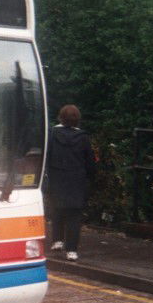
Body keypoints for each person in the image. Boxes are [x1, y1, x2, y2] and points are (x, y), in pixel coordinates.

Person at [44, 104, 96, 261]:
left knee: (57, 210)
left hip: (57, 177)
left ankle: (57, 241)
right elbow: (90, 162)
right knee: (74, 216)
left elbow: (47, 156)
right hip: (76, 180)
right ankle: (71, 250)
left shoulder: (52, 134)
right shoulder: (83, 138)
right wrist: (90, 178)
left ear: (61, 117)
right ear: (77, 120)